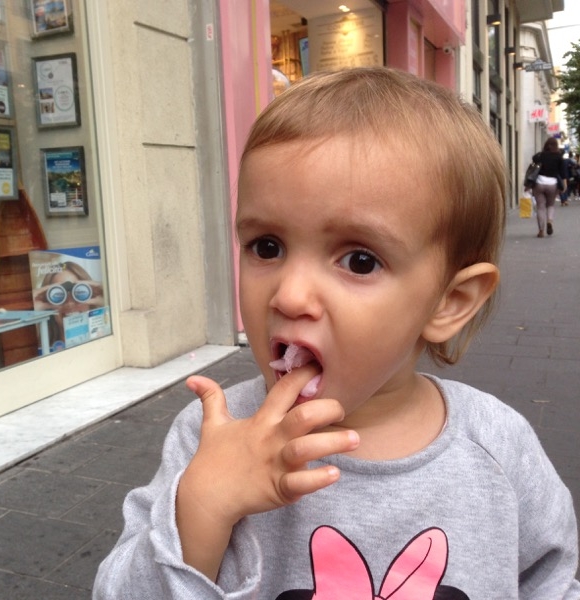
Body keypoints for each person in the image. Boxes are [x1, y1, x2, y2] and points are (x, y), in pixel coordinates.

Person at [93, 68, 580, 599]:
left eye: (359, 260)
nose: (289, 295)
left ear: (449, 301)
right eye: (267, 247)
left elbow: (552, 581)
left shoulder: (500, 447)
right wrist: (203, 507)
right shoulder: (212, 437)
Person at [529, 137, 568, 236]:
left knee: (540, 207)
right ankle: (549, 221)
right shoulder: (559, 157)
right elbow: (563, 173)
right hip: (552, 184)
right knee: (550, 205)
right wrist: (564, 184)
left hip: (539, 183)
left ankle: (541, 230)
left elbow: (533, 159)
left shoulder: (540, 155)